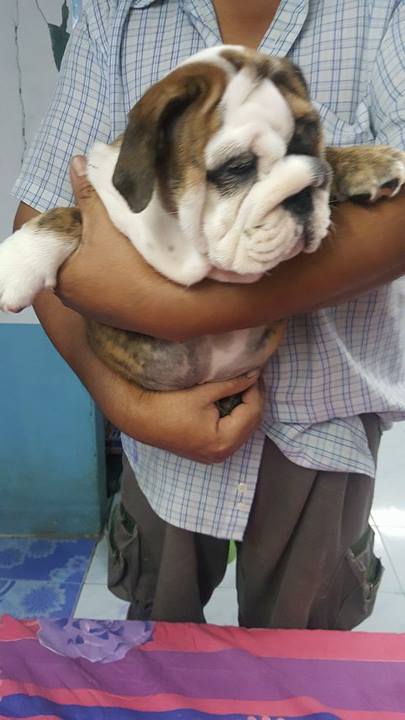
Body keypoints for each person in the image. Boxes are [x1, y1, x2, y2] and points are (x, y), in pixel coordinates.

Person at [12, 0, 405, 628]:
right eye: (238, 167)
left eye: (307, 144)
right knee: (157, 641)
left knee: (301, 650)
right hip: (158, 437)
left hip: (322, 430)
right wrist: (127, 402)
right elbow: (40, 217)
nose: (291, 189)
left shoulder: (382, 14)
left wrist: (178, 309)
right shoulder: (116, 18)